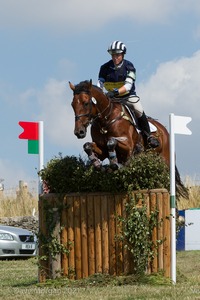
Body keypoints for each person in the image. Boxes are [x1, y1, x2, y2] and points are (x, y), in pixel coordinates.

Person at [97, 40, 159, 148]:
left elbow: (127, 87)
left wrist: (114, 92)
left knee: (138, 109)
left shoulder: (129, 66)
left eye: (118, 55)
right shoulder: (104, 68)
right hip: (112, 99)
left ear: (122, 54)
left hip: (128, 97)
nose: (115, 57)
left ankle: (149, 136)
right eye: (113, 55)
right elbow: (100, 84)